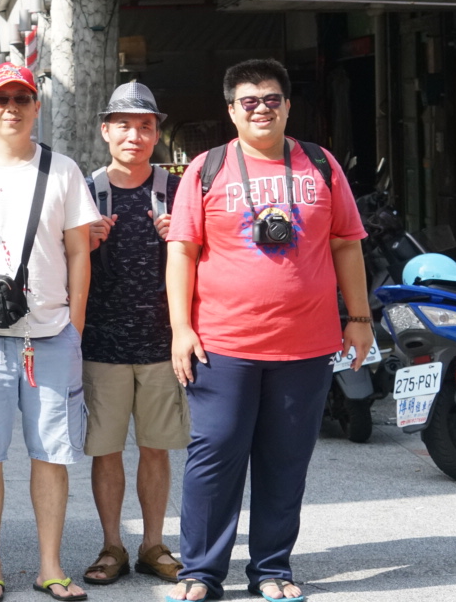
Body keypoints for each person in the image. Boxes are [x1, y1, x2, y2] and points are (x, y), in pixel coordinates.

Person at [165, 59, 373, 602]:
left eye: (272, 99)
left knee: (285, 462)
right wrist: (181, 328)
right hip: (222, 343)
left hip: (305, 344)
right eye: (250, 101)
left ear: (287, 105)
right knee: (215, 456)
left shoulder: (320, 164)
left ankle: (271, 569)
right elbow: (182, 251)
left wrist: (359, 318)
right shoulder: (208, 168)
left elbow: (346, 244)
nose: (262, 109)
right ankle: (200, 574)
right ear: (232, 110)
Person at [0, 63, 98, 602]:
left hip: (51, 336)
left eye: (21, 99)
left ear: (36, 106)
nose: (11, 108)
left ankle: (51, 566)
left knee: (52, 455)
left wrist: (74, 327)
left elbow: (79, 252)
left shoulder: (63, 170)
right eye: (0, 99)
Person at [79, 83, 187, 589]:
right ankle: (112, 546)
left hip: (162, 343)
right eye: (123, 125)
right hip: (101, 344)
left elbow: (210, 257)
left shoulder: (177, 190)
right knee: (105, 450)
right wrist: (83, 242)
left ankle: (153, 545)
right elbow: (56, 260)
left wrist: (182, 238)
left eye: (145, 126)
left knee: (156, 448)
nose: (134, 135)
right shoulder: (85, 189)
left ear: (156, 134)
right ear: (106, 131)